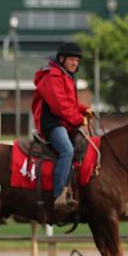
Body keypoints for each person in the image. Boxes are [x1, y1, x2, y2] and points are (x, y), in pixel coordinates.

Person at [32, 41, 93, 213]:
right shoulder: (52, 76)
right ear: (62, 59)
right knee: (67, 150)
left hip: (63, 122)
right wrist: (79, 119)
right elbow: (59, 106)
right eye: (72, 59)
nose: (75, 63)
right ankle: (58, 196)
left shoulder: (65, 75)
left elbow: (70, 103)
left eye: (77, 60)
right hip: (52, 124)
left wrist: (84, 110)